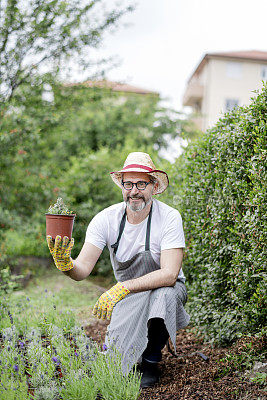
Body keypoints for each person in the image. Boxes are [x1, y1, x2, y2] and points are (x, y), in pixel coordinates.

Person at [47, 152, 190, 388]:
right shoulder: (106, 219)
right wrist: (66, 264)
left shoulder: (169, 218)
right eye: (128, 183)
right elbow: (82, 270)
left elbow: (169, 274)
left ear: (154, 186)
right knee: (115, 362)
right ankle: (131, 356)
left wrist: (122, 287)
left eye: (141, 183)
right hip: (129, 295)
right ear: (122, 186)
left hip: (165, 288)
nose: (134, 190)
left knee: (163, 296)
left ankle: (151, 360)